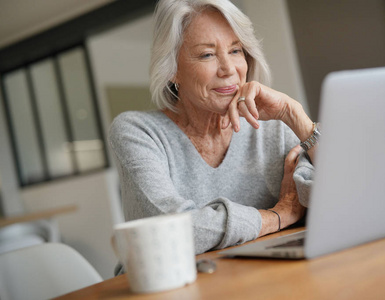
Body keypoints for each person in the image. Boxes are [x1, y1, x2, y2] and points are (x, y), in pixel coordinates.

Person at [109, 0, 316, 257]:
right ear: (172, 68)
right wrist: (276, 217)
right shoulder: (138, 132)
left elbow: (336, 195)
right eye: (207, 54)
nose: (229, 69)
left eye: (236, 50)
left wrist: (295, 116)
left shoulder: (273, 126)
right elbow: (174, 230)